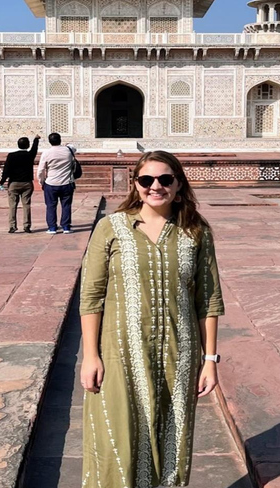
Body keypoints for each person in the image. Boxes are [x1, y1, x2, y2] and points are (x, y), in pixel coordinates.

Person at [79, 150, 224, 488]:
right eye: (146, 180)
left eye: (165, 179)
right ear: (136, 184)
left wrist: (211, 359)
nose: (155, 187)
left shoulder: (196, 231)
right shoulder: (111, 228)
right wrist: (90, 355)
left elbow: (209, 300)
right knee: (118, 437)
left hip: (180, 353)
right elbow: (92, 296)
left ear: (178, 184)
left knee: (172, 439)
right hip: (120, 353)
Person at [37, 133, 77, 234]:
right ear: (60, 140)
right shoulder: (68, 150)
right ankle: (66, 227)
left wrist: (41, 181)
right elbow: (74, 147)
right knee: (66, 205)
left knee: (51, 206)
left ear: (49, 141)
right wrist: (67, 144)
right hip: (66, 183)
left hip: (51, 183)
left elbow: (41, 170)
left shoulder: (47, 153)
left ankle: (52, 228)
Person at [0, 134, 40, 233]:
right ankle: (27, 226)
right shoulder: (29, 155)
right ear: (27, 145)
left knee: (12, 205)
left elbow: (6, 170)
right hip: (27, 183)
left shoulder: (11, 156)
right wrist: (36, 139)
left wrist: (2, 181)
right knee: (26, 205)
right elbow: (34, 149)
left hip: (14, 183)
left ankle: (12, 226)